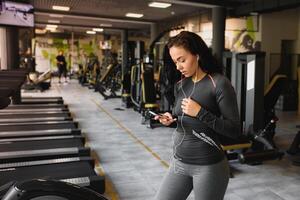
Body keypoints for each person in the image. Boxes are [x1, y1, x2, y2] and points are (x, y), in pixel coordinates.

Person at [154, 31, 241, 200]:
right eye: (175, 62)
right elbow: (184, 119)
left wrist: (200, 112)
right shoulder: (180, 84)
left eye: (182, 60)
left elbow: (234, 130)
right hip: (179, 163)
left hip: (209, 167)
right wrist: (171, 119)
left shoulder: (219, 83)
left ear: (197, 55)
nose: (178, 66)